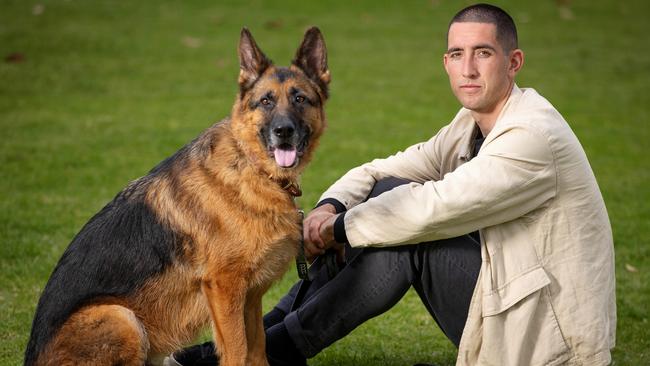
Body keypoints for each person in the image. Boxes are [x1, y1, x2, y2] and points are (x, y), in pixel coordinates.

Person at [167, 3, 616, 366]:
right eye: (457, 54)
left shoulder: (532, 135)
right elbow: (384, 169)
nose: (469, 68)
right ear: (446, 63)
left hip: (548, 335)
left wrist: (339, 229)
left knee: (407, 235)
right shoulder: (471, 123)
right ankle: (257, 344)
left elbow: (435, 208)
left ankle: (278, 349)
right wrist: (330, 206)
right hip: (504, 291)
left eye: (483, 53)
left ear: (513, 62)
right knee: (383, 198)